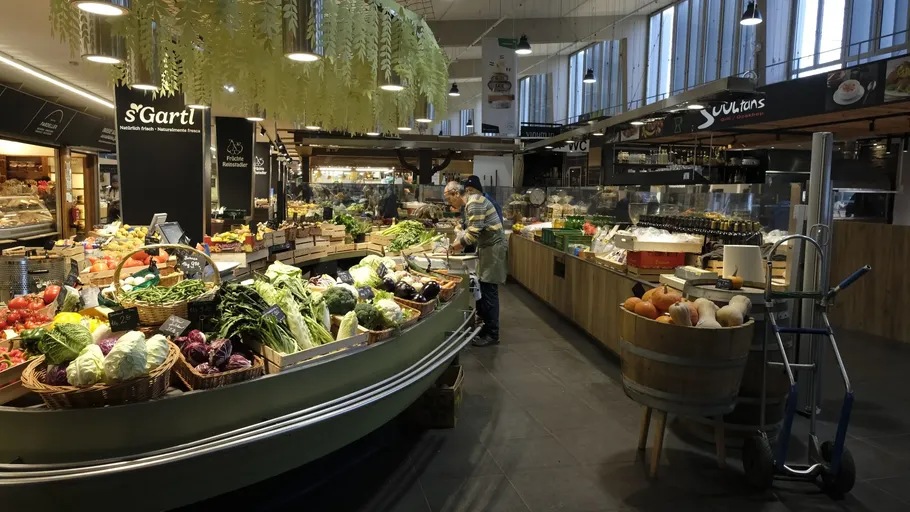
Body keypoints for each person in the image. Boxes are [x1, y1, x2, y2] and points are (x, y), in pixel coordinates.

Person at [445, 176, 507, 347]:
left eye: (449, 197)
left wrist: (453, 247)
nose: (449, 202)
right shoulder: (471, 203)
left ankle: (492, 334)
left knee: (489, 290)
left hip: (493, 249)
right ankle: (486, 329)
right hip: (487, 247)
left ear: (456, 193)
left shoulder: (474, 202)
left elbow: (473, 234)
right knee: (485, 287)